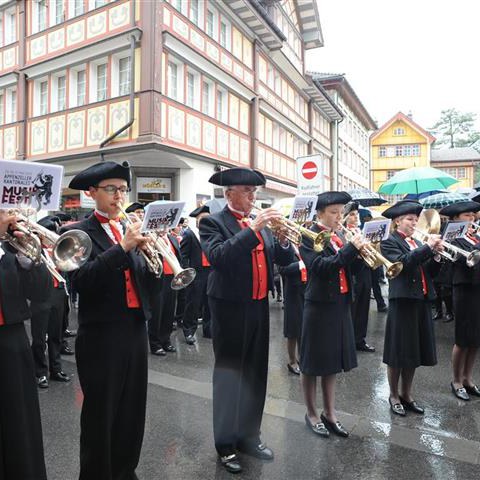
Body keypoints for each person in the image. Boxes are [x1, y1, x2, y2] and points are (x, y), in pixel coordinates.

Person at [63, 161, 158, 480]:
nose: (119, 196)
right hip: (101, 336)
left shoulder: (128, 227)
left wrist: (155, 255)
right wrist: (123, 248)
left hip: (134, 329)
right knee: (100, 415)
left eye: (122, 189)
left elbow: (144, 280)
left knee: (132, 410)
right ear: (92, 193)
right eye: (111, 189)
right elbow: (81, 281)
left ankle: (124, 470)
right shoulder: (77, 232)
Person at [200, 167, 294, 474]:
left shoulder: (262, 225)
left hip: (258, 306)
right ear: (229, 194)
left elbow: (281, 261)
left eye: (255, 192)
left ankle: (249, 437)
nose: (253, 196)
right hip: (228, 307)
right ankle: (225, 445)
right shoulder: (213, 222)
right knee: (230, 376)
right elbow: (219, 257)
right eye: (247, 191)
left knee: (255, 373)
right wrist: (252, 229)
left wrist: (281, 240)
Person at [300, 191, 365, 439]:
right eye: (334, 212)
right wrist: (350, 250)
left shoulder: (338, 237)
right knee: (311, 363)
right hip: (319, 306)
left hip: (340, 303)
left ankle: (330, 412)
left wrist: (359, 252)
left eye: (341, 212)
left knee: (332, 362)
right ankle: (311, 413)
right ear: (320, 214)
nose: (340, 217)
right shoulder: (310, 236)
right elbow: (320, 268)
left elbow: (350, 268)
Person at [0, 209, 52, 479]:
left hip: (11, 341)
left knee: (19, 423)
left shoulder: (10, 249)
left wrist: (33, 260)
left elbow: (42, 294)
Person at [380, 200, 443, 416]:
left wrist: (435, 255)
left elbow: (429, 272)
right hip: (403, 301)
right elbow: (403, 264)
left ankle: (407, 394)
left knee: (414, 351)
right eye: (409, 219)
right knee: (398, 351)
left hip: (421, 300)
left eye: (416, 220)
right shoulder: (389, 242)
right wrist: (427, 247)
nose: (414, 223)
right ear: (398, 221)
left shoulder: (416, 243)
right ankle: (393, 394)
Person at [439, 201, 480, 401]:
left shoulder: (475, 235)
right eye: (466, 216)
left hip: (478, 287)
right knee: (463, 338)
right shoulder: (452, 237)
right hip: (464, 288)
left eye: (473, 215)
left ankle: (468, 378)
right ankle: (456, 380)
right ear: (455, 219)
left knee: (475, 339)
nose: (471, 218)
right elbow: (463, 259)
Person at [30, 215, 71, 388]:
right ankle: (40, 372)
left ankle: (56, 369)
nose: (50, 237)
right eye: (47, 233)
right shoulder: (32, 251)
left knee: (56, 335)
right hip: (40, 296)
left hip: (58, 293)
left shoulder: (57, 251)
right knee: (39, 338)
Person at [343, 201, 376, 352]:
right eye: (351, 214)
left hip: (365, 272)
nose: (355, 217)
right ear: (345, 217)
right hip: (352, 273)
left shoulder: (360, 231)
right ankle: (349, 340)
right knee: (352, 309)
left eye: (356, 214)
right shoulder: (343, 233)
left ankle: (360, 339)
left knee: (364, 307)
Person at [148, 230, 182, 356]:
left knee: (169, 311)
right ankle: (155, 344)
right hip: (158, 278)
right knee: (157, 312)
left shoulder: (172, 239)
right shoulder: (151, 239)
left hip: (172, 277)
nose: (164, 227)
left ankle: (166, 340)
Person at [181, 204, 212, 342]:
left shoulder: (212, 233)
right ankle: (189, 331)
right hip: (196, 273)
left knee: (209, 303)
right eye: (202, 220)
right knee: (193, 303)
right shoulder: (189, 234)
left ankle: (208, 329)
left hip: (210, 273)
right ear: (197, 221)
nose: (205, 222)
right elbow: (184, 256)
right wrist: (188, 273)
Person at [279, 242, 307, 375]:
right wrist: (300, 264)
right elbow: (282, 269)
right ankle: (291, 361)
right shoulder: (287, 247)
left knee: (303, 327)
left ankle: (302, 358)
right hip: (293, 291)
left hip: (305, 289)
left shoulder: (304, 246)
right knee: (293, 329)